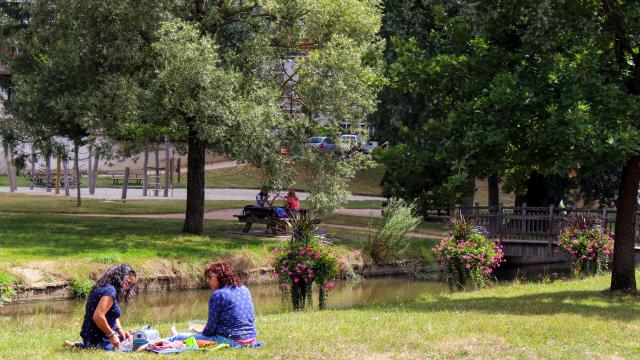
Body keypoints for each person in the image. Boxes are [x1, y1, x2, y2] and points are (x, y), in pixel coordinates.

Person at [169, 262, 257, 346]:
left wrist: (202, 332)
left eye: (209, 277)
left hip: (232, 340)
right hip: (251, 339)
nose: (208, 280)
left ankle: (177, 337)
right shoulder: (244, 288)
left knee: (182, 337)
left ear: (220, 276)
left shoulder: (218, 294)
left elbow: (210, 330)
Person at [75, 264, 137, 350]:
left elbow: (112, 314)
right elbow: (98, 317)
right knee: (140, 346)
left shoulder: (104, 287)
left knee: (135, 338)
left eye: (132, 284)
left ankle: (82, 346)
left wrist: (120, 331)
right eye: (128, 282)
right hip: (99, 341)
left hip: (91, 339)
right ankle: (84, 347)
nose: (128, 287)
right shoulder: (110, 291)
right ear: (120, 277)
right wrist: (112, 335)